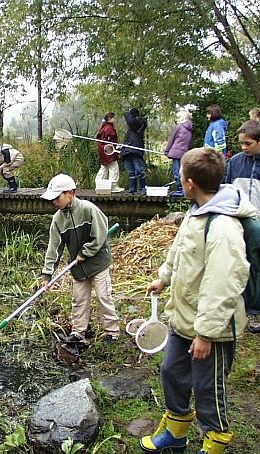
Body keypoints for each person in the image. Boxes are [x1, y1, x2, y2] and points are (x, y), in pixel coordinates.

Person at [140, 147, 255, 454]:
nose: (180, 179)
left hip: (212, 329)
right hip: (183, 316)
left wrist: (205, 333)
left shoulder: (223, 228)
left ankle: (216, 442)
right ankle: (176, 433)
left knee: (207, 389)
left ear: (190, 182)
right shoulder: (195, 212)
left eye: (181, 176)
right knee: (171, 373)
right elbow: (179, 252)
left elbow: (224, 285)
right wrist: (163, 278)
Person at [40, 174, 120, 346]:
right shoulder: (57, 220)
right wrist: (47, 275)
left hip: (98, 262)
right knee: (79, 300)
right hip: (78, 268)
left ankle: (112, 333)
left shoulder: (89, 209)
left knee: (104, 297)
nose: (54, 202)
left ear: (70, 193)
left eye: (57, 197)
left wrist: (85, 252)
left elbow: (100, 235)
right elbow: (54, 248)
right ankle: (78, 333)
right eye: (52, 198)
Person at [225, 120, 260, 334]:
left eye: (248, 144)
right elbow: (228, 190)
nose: (244, 148)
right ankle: (238, 307)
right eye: (241, 144)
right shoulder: (236, 162)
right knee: (237, 264)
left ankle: (255, 311)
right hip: (238, 222)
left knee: (256, 267)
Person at [164, 110, 193, 197]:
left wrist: (166, 151)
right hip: (183, 152)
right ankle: (183, 189)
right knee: (182, 171)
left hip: (176, 152)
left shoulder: (179, 127)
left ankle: (180, 189)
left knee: (176, 171)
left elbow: (171, 139)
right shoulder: (190, 128)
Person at [95, 112, 124, 192]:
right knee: (114, 166)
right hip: (108, 150)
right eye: (113, 118)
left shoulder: (103, 127)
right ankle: (113, 186)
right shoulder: (109, 128)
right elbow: (111, 140)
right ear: (109, 118)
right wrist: (116, 147)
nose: (114, 119)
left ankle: (99, 184)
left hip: (102, 149)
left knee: (104, 167)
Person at [121, 108, 147, 194]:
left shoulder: (140, 123)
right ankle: (133, 188)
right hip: (128, 150)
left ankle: (144, 188)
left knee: (139, 170)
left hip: (135, 149)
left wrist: (127, 112)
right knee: (130, 171)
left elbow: (129, 120)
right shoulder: (132, 126)